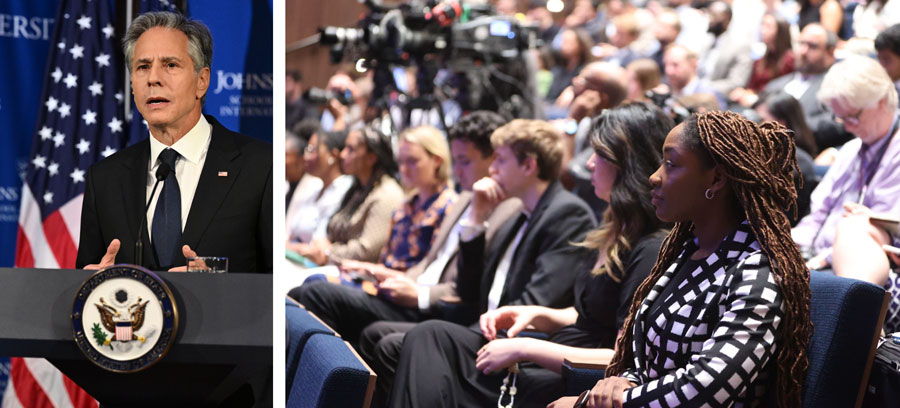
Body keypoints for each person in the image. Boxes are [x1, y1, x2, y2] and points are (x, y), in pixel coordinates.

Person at [386, 102, 672, 408]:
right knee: (428, 338)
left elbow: (622, 357)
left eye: (600, 155)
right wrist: (538, 315)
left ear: (627, 165)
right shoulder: (612, 230)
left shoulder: (648, 247)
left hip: (568, 374)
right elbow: (587, 313)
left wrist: (526, 348)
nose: (588, 164)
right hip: (549, 349)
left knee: (426, 342)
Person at [551, 110, 811, 407]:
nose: (654, 177)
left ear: (715, 179)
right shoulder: (685, 253)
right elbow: (654, 363)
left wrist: (597, 403)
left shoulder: (757, 272)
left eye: (671, 164)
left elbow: (705, 387)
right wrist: (626, 379)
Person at [360, 119, 597, 406]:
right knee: (382, 336)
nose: (493, 168)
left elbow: (534, 302)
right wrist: (475, 220)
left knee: (405, 341)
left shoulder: (567, 214)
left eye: (501, 160)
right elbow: (469, 289)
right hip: (483, 324)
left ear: (528, 166)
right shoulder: (520, 213)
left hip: (514, 339)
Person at [76, 11, 272, 273]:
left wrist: (221, 284)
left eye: (170, 65)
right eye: (143, 67)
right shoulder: (104, 180)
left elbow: (276, 287)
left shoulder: (260, 167)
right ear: (133, 84)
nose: (153, 78)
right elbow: (86, 281)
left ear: (201, 81)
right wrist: (94, 285)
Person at [793, 56, 900, 270]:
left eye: (852, 116)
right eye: (841, 119)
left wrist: (825, 258)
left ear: (880, 101)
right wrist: (788, 245)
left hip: (859, 267)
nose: (848, 128)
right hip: (816, 258)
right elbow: (817, 215)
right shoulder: (851, 150)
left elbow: (879, 231)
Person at [293, 125, 404, 265]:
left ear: (371, 158)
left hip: (359, 274)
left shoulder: (387, 194)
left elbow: (367, 250)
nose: (342, 155)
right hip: (335, 265)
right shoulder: (357, 188)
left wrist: (329, 252)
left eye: (351, 150)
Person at [287, 129, 353, 243]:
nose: (306, 157)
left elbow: (318, 246)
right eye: (307, 150)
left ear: (333, 155)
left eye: (312, 150)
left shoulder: (344, 188)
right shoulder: (313, 185)